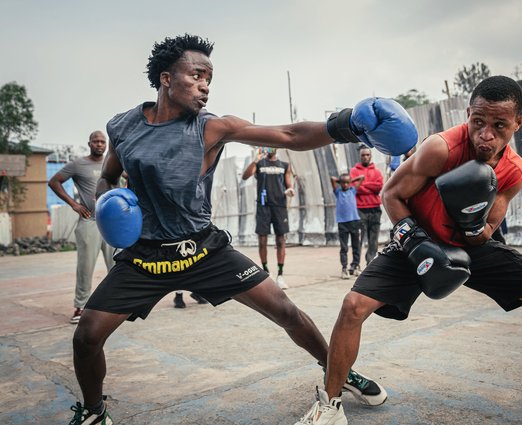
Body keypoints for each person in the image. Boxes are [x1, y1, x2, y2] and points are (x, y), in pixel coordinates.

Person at [67, 34, 420, 424]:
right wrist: (110, 203)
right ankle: (94, 412)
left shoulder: (211, 128)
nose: (205, 86)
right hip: (146, 256)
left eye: (209, 79)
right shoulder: (123, 126)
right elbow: (108, 177)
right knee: (86, 336)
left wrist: (347, 124)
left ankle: (338, 372)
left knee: (287, 311)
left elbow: (288, 135)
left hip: (202, 250)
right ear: (166, 78)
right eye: (197, 75)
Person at [295, 76, 522, 425]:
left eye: (498, 125)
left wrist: (472, 220)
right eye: (478, 122)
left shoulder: (515, 171)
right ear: (468, 114)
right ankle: (330, 405)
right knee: (354, 306)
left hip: (469, 245)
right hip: (417, 239)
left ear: (517, 124)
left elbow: (487, 230)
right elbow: (391, 195)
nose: (485, 134)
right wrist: (414, 241)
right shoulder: (440, 148)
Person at [48, 131, 115, 324]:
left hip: (111, 223)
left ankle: (116, 305)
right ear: (89, 143)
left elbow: (127, 177)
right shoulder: (79, 164)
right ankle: (80, 306)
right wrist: (74, 205)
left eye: (102, 141)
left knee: (118, 265)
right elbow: (54, 182)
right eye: (96, 141)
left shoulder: (111, 163)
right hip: (90, 222)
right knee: (85, 267)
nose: (99, 144)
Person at [241, 147, 295, 289]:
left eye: (272, 145)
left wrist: (290, 190)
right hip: (263, 206)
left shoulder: (284, 165)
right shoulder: (259, 164)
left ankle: (280, 275)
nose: (270, 148)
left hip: (279, 206)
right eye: (267, 145)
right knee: (262, 239)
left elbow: (289, 184)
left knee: (280, 239)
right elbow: (245, 176)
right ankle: (266, 271)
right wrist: (255, 160)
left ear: (276, 147)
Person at [350, 146, 384, 268]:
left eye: (367, 155)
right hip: (360, 209)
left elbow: (379, 187)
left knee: (373, 239)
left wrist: (364, 184)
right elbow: (355, 188)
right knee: (359, 238)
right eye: (363, 155)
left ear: (370, 156)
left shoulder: (377, 172)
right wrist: (370, 186)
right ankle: (356, 263)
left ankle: (370, 263)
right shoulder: (354, 171)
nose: (365, 157)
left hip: (375, 209)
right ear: (360, 156)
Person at [330, 173, 365, 279]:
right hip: (342, 223)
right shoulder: (338, 192)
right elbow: (332, 178)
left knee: (356, 246)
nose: (345, 185)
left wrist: (351, 180)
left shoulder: (352, 190)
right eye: (343, 183)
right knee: (344, 247)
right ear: (340, 183)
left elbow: (362, 177)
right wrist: (340, 181)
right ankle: (344, 268)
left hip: (354, 221)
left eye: (347, 183)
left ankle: (355, 266)